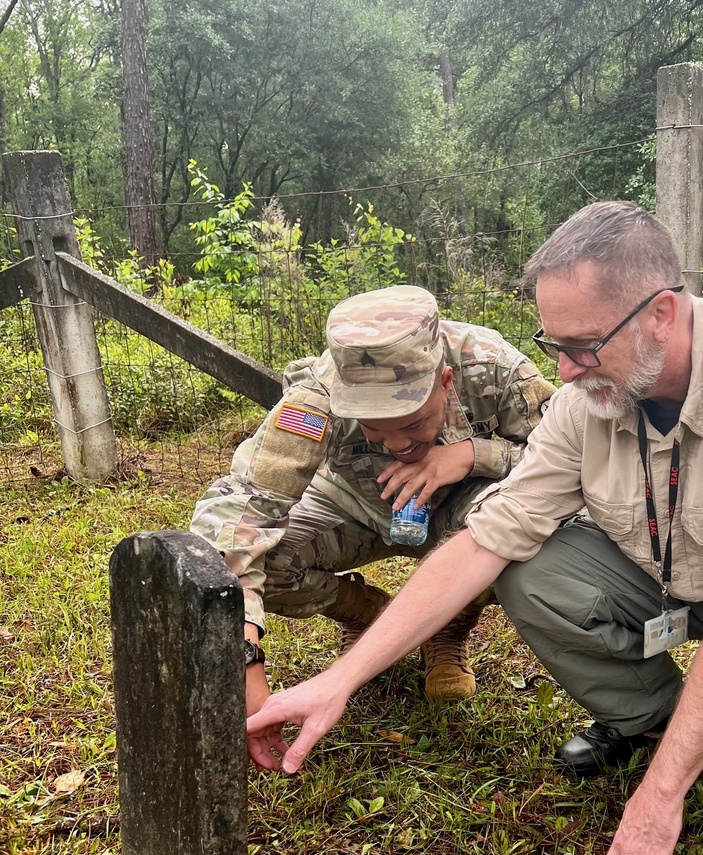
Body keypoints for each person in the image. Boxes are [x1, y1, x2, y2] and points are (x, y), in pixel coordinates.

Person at [244, 202, 703, 855]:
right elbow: (491, 536)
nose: (564, 370)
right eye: (551, 343)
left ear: (662, 314)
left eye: (582, 346)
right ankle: (647, 719)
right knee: (528, 566)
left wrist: (659, 798)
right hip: (658, 569)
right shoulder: (591, 391)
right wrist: (340, 680)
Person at [189, 284, 555, 711]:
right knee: (269, 562)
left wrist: (472, 454)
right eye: (375, 429)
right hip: (353, 505)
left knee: (510, 529)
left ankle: (447, 628)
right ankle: (366, 614)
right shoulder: (320, 394)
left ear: (445, 381)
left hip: (460, 510)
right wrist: (244, 649)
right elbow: (243, 503)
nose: (398, 445)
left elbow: (565, 459)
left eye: (414, 423)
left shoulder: (493, 368)